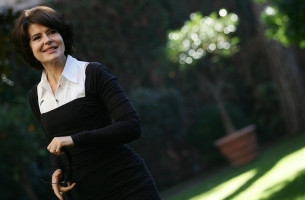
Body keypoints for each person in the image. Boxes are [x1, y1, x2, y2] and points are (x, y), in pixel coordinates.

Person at [12, 6, 161, 200]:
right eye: (37, 37)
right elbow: (55, 142)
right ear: (29, 48)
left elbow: (131, 126)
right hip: (84, 194)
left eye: (51, 32)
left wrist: (75, 139)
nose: (47, 40)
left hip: (128, 186)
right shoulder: (36, 95)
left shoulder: (93, 73)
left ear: (62, 35)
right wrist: (57, 170)